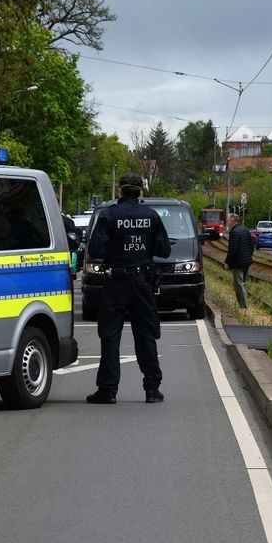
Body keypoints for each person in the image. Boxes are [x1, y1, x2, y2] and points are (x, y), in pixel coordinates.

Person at [86, 173, 172, 405]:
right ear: (140, 192)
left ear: (120, 191)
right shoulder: (151, 216)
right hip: (143, 283)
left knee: (110, 336)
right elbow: (164, 251)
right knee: (146, 335)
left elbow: (95, 250)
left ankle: (107, 389)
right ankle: (152, 389)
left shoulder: (108, 216)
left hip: (116, 282)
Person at [223, 213, 254, 309]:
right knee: (243, 283)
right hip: (247, 261)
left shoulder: (234, 232)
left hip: (238, 263)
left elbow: (233, 249)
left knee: (238, 285)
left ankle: (243, 307)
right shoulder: (245, 230)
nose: (227, 222)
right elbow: (251, 246)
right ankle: (244, 304)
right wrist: (248, 256)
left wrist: (227, 262)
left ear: (233, 221)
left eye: (228, 220)